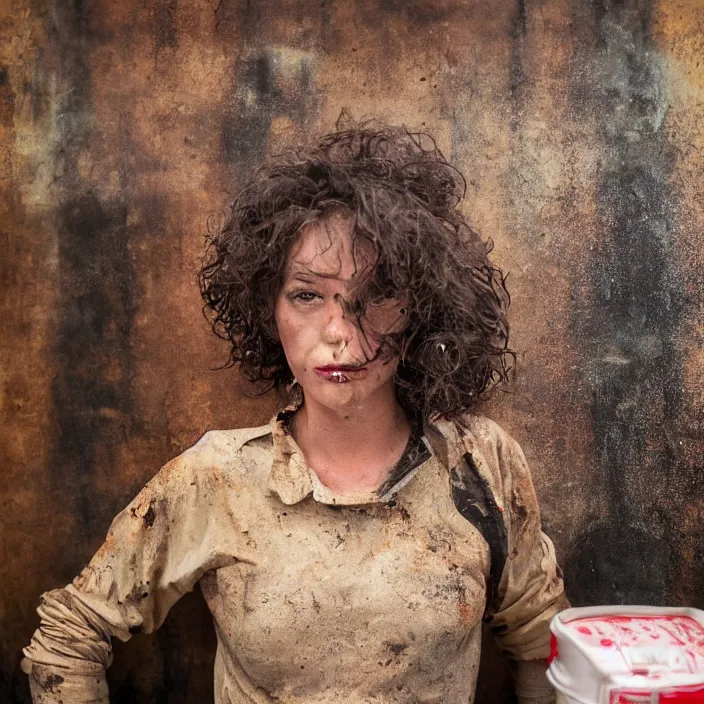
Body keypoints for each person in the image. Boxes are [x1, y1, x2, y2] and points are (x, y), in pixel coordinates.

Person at [23, 123, 568, 704]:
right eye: (307, 294)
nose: (339, 332)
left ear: (419, 310)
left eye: (376, 295)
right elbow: (68, 639)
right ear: (270, 309)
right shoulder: (219, 477)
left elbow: (544, 647)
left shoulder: (479, 464)